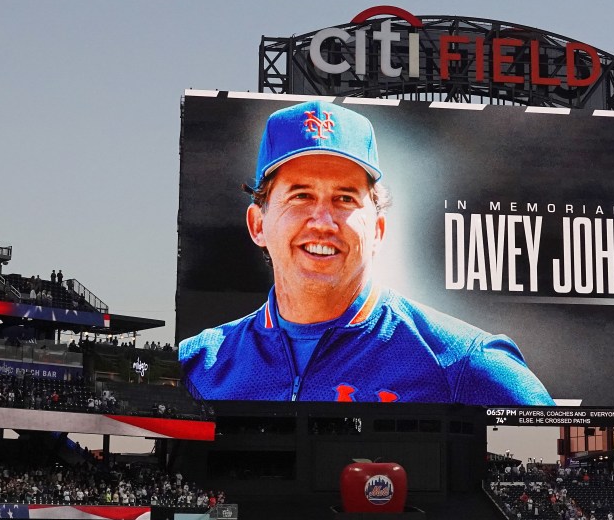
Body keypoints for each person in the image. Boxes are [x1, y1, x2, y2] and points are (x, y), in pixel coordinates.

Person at [179, 100, 554, 406]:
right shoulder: (196, 366)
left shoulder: (464, 362)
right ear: (258, 225)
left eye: (344, 198)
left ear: (378, 230)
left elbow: (560, 459)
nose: (322, 221)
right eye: (301, 195)